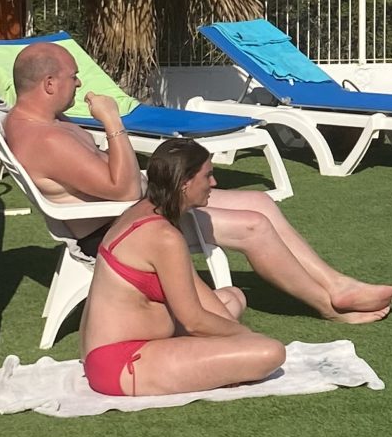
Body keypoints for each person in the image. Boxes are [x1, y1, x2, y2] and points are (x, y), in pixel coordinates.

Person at [4, 41, 392, 323]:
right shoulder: (46, 138)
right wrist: (112, 122)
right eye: (73, 77)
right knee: (254, 227)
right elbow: (122, 189)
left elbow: (112, 175)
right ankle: (328, 305)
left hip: (130, 207)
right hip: (118, 228)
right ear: (50, 84)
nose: (78, 84)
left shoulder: (42, 122)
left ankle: (338, 283)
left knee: (260, 203)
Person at [78, 138, 286, 399]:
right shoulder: (163, 236)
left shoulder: (144, 211)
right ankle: (222, 364)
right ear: (185, 182)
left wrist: (231, 340)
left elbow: (201, 297)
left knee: (233, 297)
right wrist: (245, 337)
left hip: (110, 350)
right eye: (208, 175)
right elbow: (194, 320)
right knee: (269, 352)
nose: (213, 183)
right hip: (121, 361)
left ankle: (217, 361)